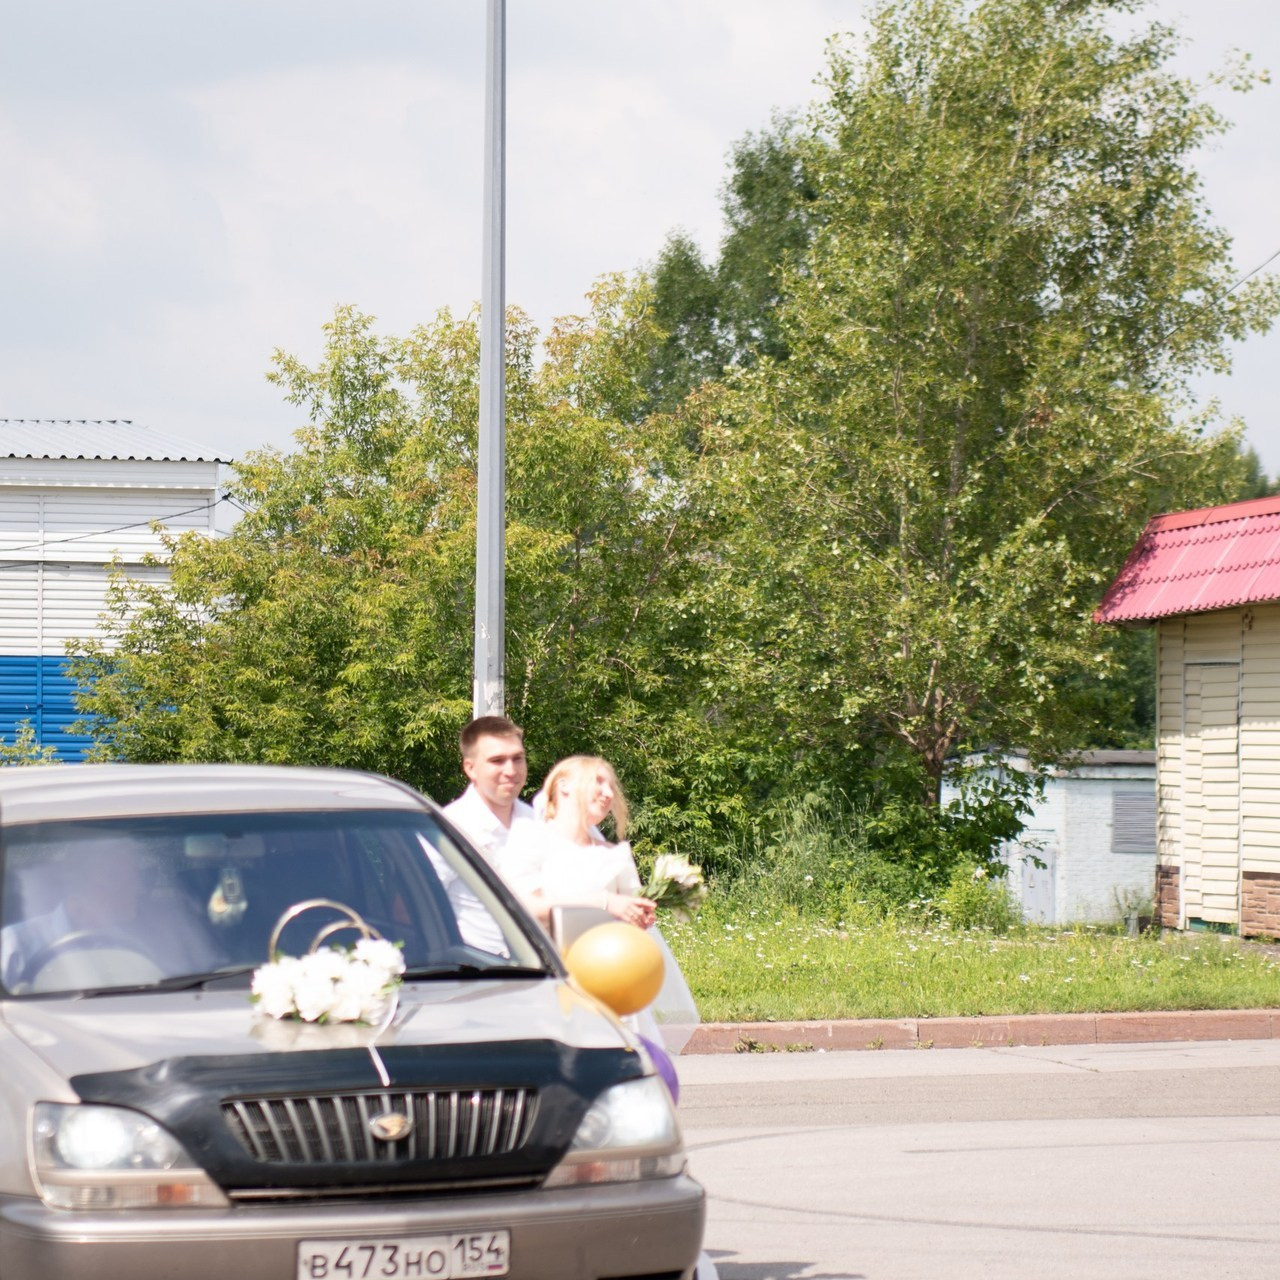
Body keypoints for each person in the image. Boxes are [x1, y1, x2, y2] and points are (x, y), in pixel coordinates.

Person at [498, 755, 656, 928]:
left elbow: (635, 922)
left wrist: (641, 916)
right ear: (564, 785)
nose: (609, 794)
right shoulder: (529, 837)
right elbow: (519, 906)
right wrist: (604, 903)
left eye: (611, 787)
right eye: (598, 781)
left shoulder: (617, 855)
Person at [437, 715, 538, 952]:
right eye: (497, 761)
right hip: (477, 974)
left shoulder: (539, 823)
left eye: (518, 759)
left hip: (542, 972)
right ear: (470, 768)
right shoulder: (450, 828)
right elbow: (411, 907)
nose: (511, 770)